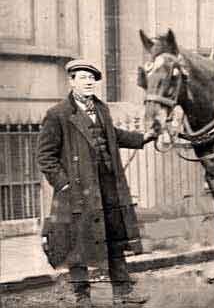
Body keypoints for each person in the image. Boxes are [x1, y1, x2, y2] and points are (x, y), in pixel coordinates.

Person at [37, 59, 156, 307]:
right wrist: (64, 184)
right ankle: (82, 297)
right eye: (83, 77)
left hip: (108, 186)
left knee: (114, 239)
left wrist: (144, 138)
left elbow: (114, 135)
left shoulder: (101, 109)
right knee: (77, 245)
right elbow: (45, 157)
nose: (89, 82)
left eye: (92, 78)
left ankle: (123, 292)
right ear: (71, 81)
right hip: (77, 190)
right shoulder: (57, 114)